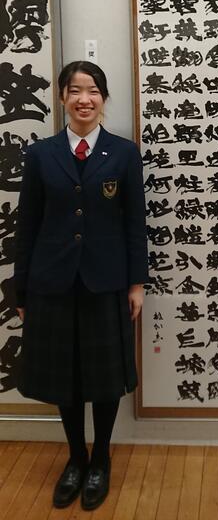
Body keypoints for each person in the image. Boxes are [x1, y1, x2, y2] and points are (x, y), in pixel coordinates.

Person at [14, 61, 148, 511]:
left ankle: (101, 458)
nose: (84, 99)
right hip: (51, 282)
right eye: (74, 91)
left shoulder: (124, 153)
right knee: (65, 376)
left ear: (103, 98)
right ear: (62, 98)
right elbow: (27, 225)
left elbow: (135, 224)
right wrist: (21, 289)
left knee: (105, 378)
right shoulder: (41, 154)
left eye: (92, 90)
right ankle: (75, 457)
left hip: (105, 281)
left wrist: (136, 283)